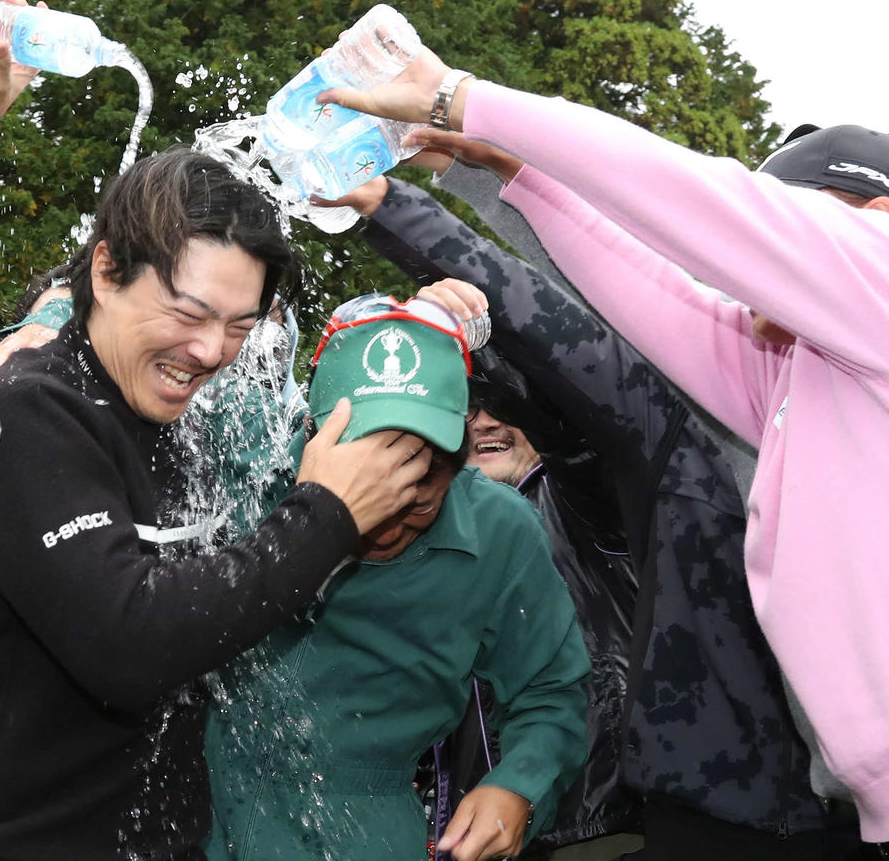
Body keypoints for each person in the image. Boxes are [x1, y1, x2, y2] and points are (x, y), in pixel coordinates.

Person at [0, 0, 432, 861]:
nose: (210, 350)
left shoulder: (177, 416)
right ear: (105, 271)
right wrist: (325, 515)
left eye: (239, 324)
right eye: (187, 312)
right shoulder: (24, 412)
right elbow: (129, 641)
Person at [322, 60, 889, 842]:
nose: (747, 268)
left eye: (787, 230)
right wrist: (495, 175)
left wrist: (463, 95)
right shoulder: (794, 376)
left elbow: (694, 204)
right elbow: (646, 300)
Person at [202, 294, 590, 861]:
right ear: (311, 436)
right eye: (359, 499)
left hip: (366, 831)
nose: (381, 527)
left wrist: (518, 789)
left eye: (416, 505)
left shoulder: (498, 532)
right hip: (198, 818)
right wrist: (37, 324)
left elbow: (552, 692)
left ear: (458, 466)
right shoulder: (238, 471)